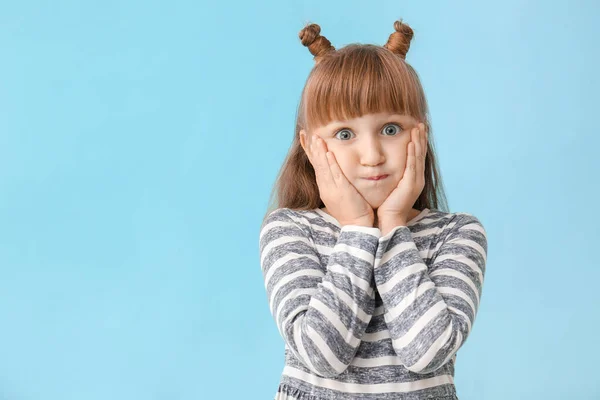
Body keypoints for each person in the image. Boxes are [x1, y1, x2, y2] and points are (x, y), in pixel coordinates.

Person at [258, 19, 488, 400]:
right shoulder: (289, 229)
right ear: (312, 146)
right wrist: (359, 229)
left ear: (421, 133)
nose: (372, 156)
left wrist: (394, 225)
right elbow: (322, 354)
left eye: (391, 129)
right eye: (344, 134)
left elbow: (427, 352)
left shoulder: (458, 234)